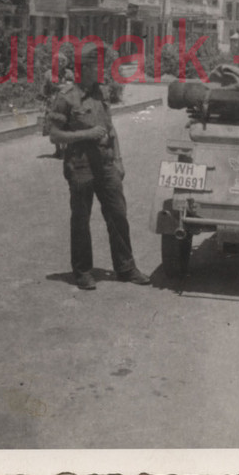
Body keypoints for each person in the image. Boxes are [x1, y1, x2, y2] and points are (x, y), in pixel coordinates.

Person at [49, 43, 150, 290]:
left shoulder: (100, 94)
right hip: (81, 165)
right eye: (97, 67)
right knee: (81, 219)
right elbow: (54, 135)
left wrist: (119, 159)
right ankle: (82, 271)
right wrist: (86, 134)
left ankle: (126, 267)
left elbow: (111, 128)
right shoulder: (66, 98)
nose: (101, 71)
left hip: (105, 165)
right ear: (83, 69)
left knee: (118, 214)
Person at [41, 53, 74, 158]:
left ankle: (66, 148)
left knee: (66, 124)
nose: (60, 63)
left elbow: (73, 86)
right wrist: (43, 99)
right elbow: (44, 88)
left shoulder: (68, 73)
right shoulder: (48, 74)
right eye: (57, 61)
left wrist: (62, 87)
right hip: (52, 101)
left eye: (62, 61)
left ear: (65, 63)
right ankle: (58, 149)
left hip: (66, 101)